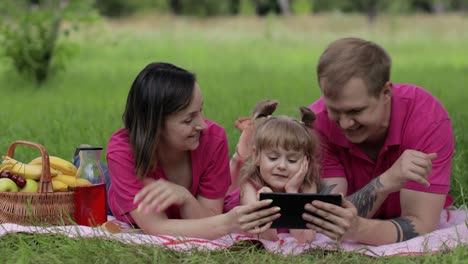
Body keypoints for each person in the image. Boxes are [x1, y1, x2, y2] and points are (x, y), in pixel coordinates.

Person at [301, 37, 454, 245]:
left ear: (386, 92)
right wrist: (386, 182)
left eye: (356, 111)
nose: (345, 123)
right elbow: (331, 215)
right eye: (334, 110)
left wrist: (359, 229)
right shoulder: (317, 123)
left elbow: (421, 223)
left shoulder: (426, 117)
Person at [106, 62, 280, 239]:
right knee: (92, 181)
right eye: (188, 120)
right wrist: (228, 222)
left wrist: (185, 197)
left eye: (200, 110)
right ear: (154, 125)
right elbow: (156, 226)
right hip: (120, 201)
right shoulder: (123, 153)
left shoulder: (213, 139)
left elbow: (209, 220)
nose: (202, 125)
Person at [231, 100, 321, 243]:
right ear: (256, 156)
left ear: (306, 162)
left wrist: (292, 192)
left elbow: (306, 239)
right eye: (273, 158)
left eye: (292, 160)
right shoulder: (250, 186)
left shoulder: (306, 187)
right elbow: (264, 237)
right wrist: (266, 203)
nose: (282, 166)